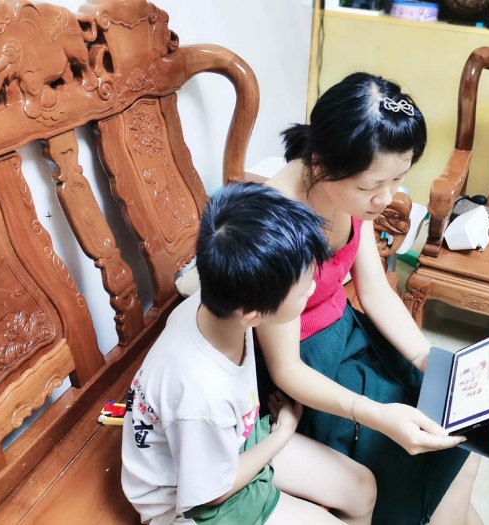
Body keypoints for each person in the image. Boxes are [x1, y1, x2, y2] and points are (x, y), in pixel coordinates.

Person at [256, 73, 483, 525]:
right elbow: (286, 369)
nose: (385, 198)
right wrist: (377, 415)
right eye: (369, 187)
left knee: (465, 426)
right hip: (305, 371)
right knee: (423, 445)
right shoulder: (277, 229)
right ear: (320, 161)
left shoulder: (345, 189)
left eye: (399, 179)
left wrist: (426, 357)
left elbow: (374, 290)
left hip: (349, 335)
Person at [121, 183, 377, 525]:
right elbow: (210, 493)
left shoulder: (219, 304)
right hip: (196, 505)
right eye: (303, 290)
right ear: (254, 315)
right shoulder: (202, 394)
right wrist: (283, 433)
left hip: (229, 445)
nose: (314, 288)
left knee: (363, 487)